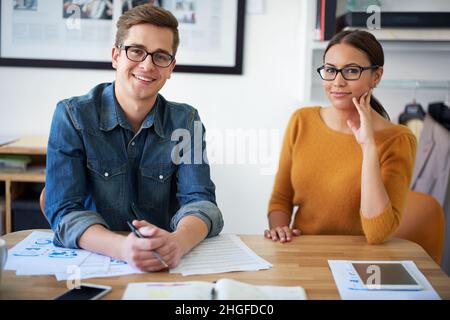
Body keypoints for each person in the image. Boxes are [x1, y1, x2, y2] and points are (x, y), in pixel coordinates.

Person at [45, 5, 223, 272]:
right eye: (136, 51)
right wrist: (123, 248)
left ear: (171, 67)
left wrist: (177, 243)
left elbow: (201, 202)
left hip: (165, 264)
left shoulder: (186, 121)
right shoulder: (72, 116)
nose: (148, 65)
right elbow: (63, 211)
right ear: (116, 55)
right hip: (96, 261)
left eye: (161, 56)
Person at [265, 30, 416, 245]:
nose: (337, 81)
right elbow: (281, 200)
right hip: (303, 255)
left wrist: (369, 146)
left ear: (376, 76)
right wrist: (279, 230)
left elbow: (378, 233)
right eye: (330, 70)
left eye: (351, 70)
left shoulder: (398, 139)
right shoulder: (302, 121)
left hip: (359, 264)